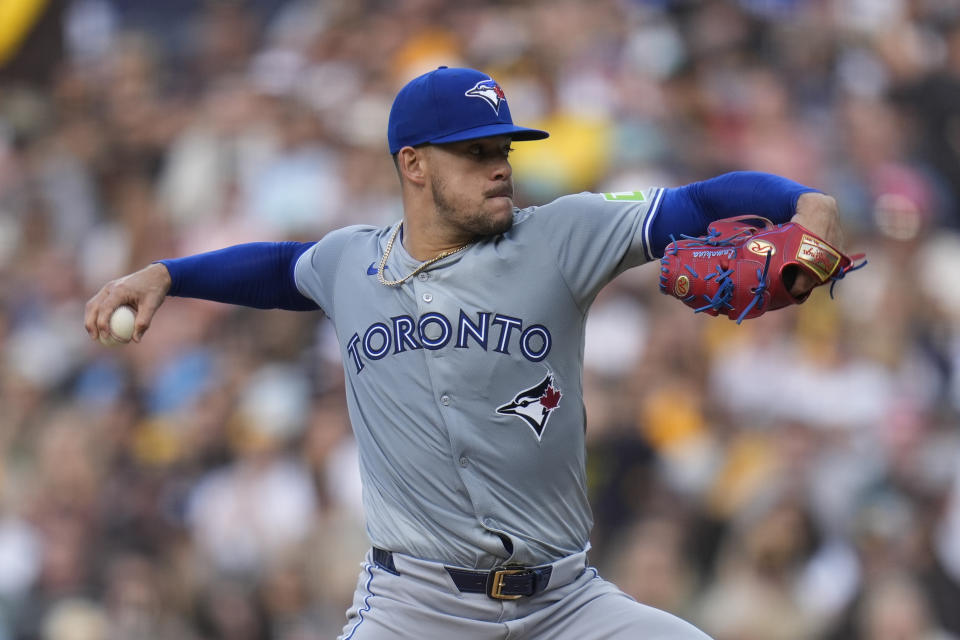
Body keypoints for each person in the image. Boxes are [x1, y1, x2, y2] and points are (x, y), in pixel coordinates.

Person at [85, 66, 845, 639]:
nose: (500, 165)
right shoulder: (351, 262)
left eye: (504, 148)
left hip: (566, 604)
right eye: (475, 152)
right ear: (413, 165)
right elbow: (279, 268)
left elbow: (701, 202)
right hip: (414, 608)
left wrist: (803, 204)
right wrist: (167, 275)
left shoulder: (560, 237)